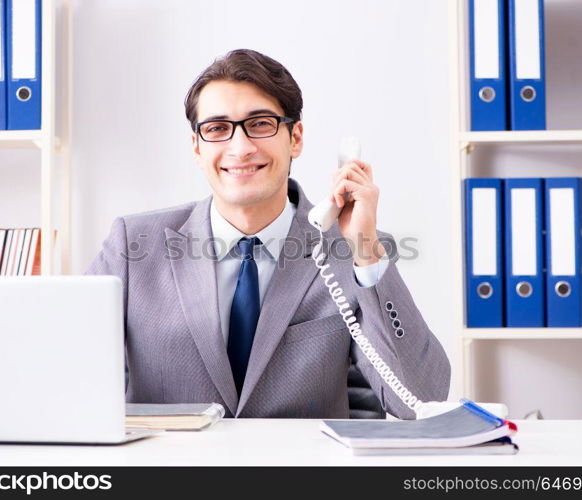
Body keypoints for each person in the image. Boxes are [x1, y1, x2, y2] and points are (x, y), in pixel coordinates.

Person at [86, 49, 450, 419]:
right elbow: (67, 376)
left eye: (260, 124)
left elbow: (421, 400)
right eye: (217, 128)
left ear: (295, 138)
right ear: (196, 147)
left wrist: (365, 252)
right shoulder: (132, 245)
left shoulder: (350, 250)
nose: (240, 148)